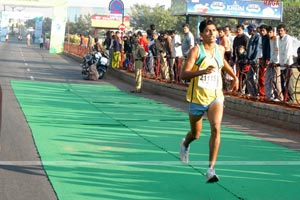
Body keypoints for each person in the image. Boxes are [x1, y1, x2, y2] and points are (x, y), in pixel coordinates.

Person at [180, 19, 239, 183]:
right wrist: (202, 71)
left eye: (214, 30)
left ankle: (211, 170)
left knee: (216, 128)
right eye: (208, 31)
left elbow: (222, 63)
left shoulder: (220, 49)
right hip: (197, 98)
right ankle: (185, 143)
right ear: (201, 34)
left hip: (215, 96)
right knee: (196, 134)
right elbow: (183, 74)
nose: (212, 33)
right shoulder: (196, 51)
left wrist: (234, 76)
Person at [277, 23, 295, 102]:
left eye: (281, 30)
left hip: (287, 64)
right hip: (281, 64)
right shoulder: (279, 39)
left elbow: (287, 52)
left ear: (285, 31)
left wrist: (284, 62)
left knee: (289, 82)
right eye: (279, 31)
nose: (280, 32)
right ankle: (285, 98)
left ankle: (291, 99)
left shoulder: (288, 38)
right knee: (282, 82)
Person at [246, 24, 260, 98]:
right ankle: (253, 94)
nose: (248, 31)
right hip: (251, 60)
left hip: (255, 60)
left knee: (257, 77)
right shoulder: (251, 38)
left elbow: (257, 49)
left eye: (248, 30)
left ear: (252, 30)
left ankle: (258, 94)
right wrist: (248, 58)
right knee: (249, 77)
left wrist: (254, 59)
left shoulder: (257, 37)